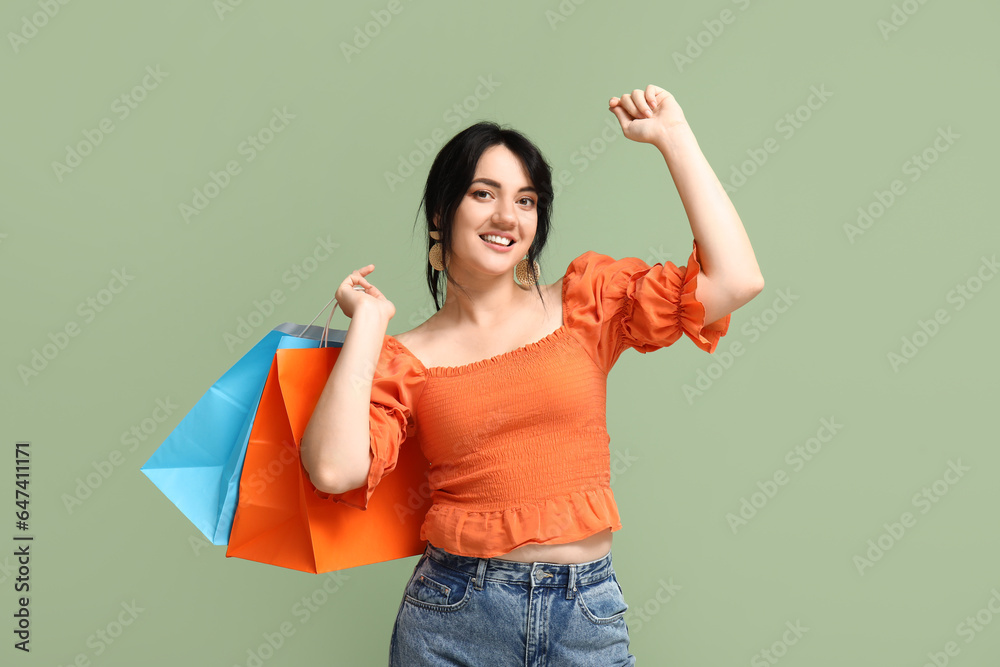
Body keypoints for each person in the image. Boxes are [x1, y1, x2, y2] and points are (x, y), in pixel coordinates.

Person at [300, 84, 764, 666]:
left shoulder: (586, 304)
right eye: (482, 193)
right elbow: (335, 468)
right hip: (453, 615)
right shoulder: (405, 357)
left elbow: (737, 279)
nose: (505, 216)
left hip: (585, 615)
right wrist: (369, 323)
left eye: (525, 200)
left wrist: (674, 138)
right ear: (442, 213)